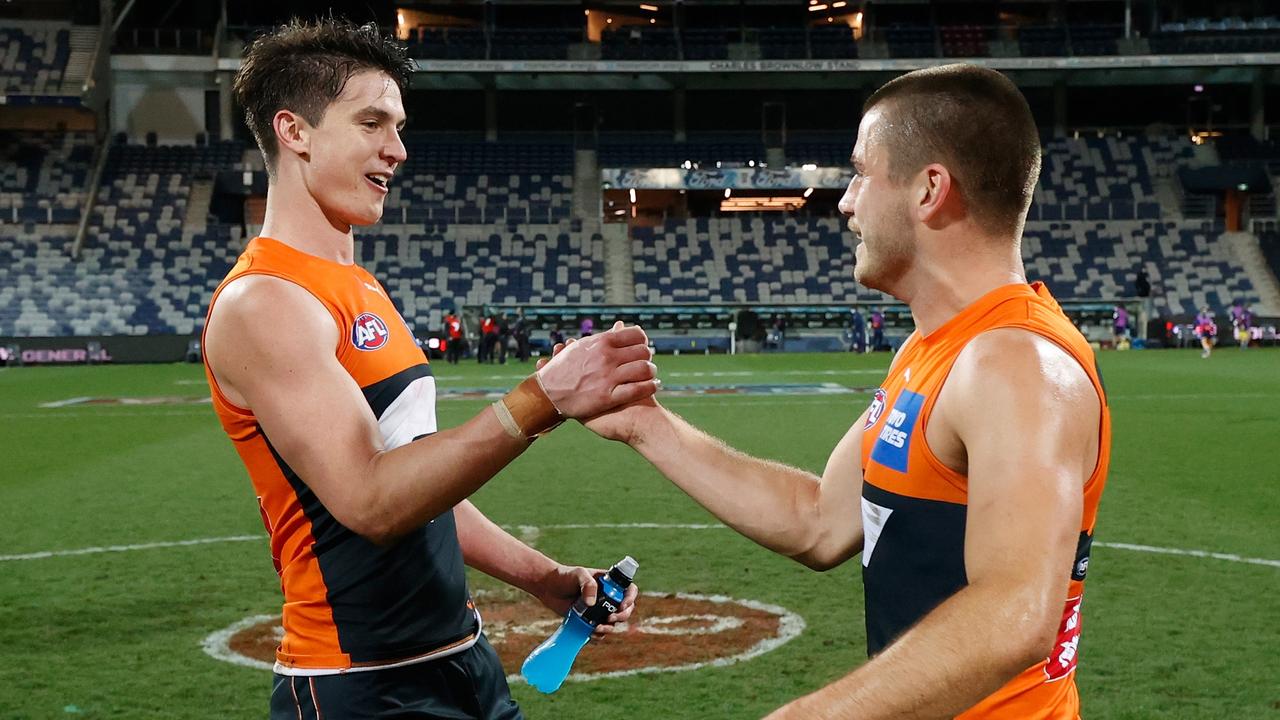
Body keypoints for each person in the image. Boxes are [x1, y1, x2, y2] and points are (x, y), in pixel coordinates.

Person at [583, 63, 1110, 719]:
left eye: (862, 173)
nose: (846, 202)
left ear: (929, 190)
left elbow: (1016, 612)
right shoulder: (931, 350)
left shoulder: (1017, 362)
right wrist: (642, 422)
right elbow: (819, 521)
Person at [201, 19, 656, 720]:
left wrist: (544, 578)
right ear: (295, 132)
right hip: (357, 685)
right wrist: (541, 401)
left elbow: (418, 485)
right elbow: (373, 503)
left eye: (399, 125)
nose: (398, 149)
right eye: (372, 123)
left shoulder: (356, 285)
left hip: (461, 659)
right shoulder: (265, 303)